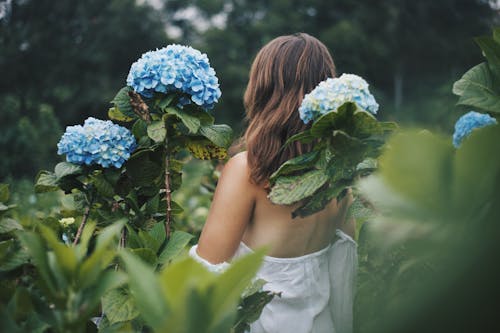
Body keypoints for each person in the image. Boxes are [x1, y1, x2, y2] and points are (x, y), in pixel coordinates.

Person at [189, 33, 357, 333]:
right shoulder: (339, 171)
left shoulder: (248, 170)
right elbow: (343, 274)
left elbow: (207, 273)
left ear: (262, 89)